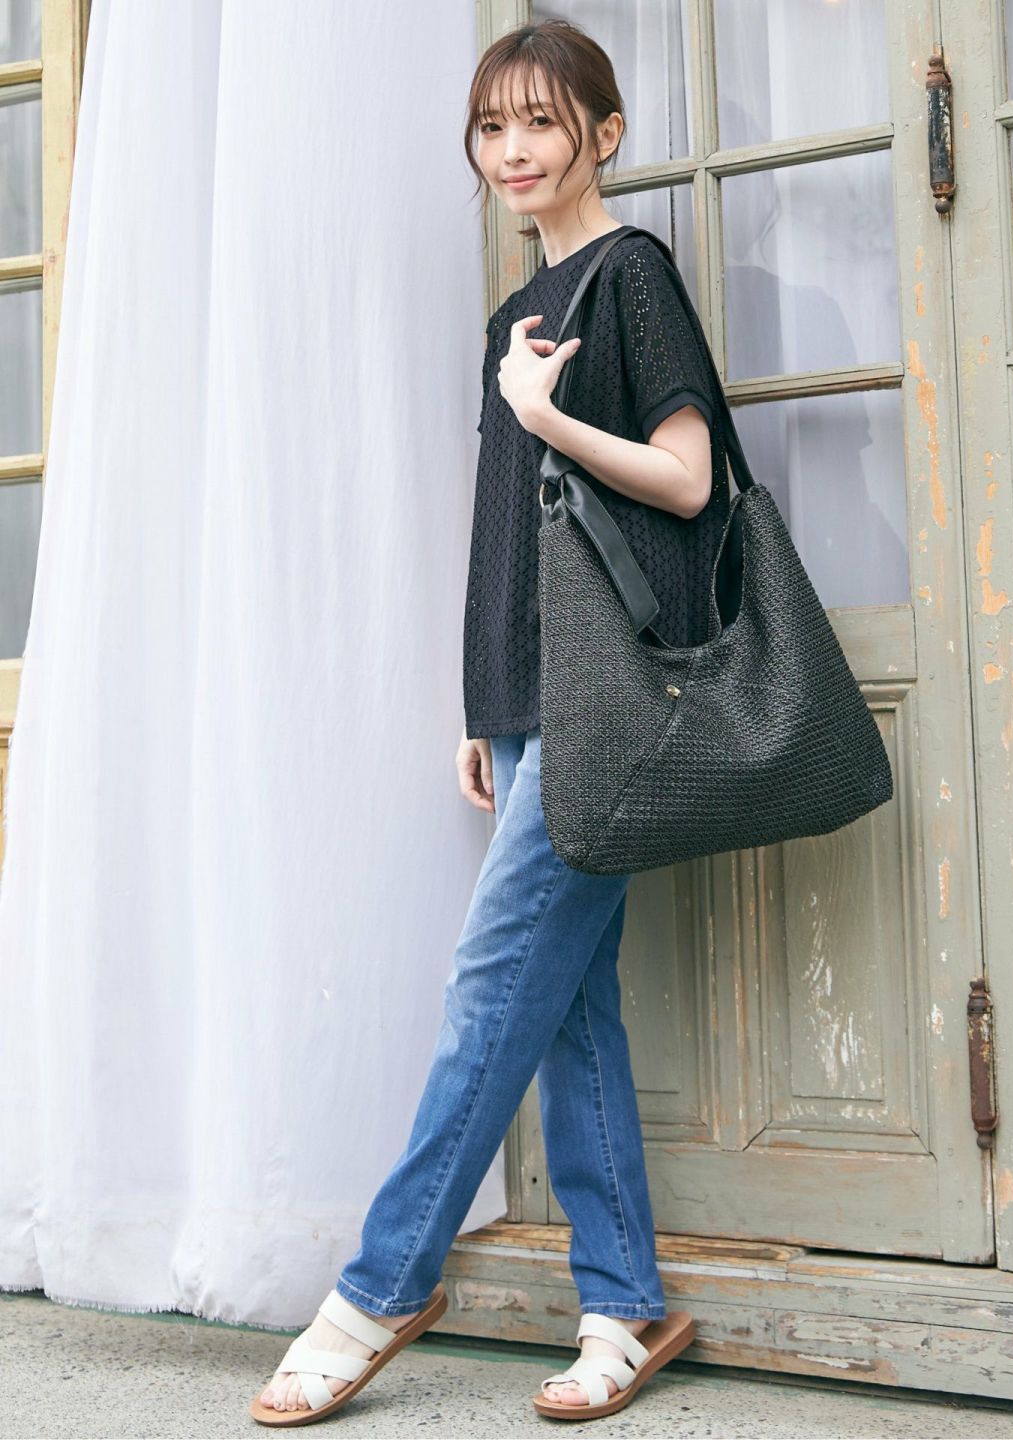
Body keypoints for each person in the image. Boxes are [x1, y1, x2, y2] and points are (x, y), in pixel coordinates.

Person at [251, 16, 732, 1427]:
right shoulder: (509, 314)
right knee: (569, 1005)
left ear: (604, 133)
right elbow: (504, 533)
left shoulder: (632, 277)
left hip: (608, 702)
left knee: (489, 985)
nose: (512, 151)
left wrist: (548, 411)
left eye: (540, 122)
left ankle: (379, 1287)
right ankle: (624, 1305)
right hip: (526, 698)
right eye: (490, 127)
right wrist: (482, 703)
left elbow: (690, 480)